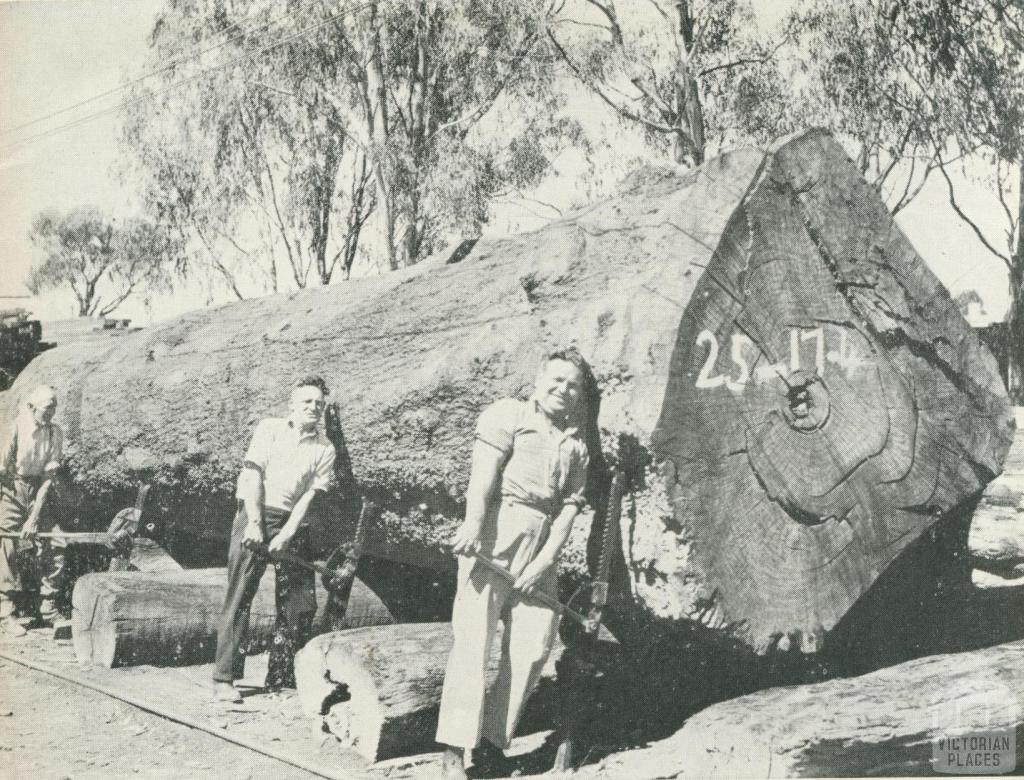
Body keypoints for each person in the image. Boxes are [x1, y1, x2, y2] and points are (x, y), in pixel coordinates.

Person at [436, 349, 593, 778]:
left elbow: (568, 512)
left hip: (540, 549)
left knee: (534, 644)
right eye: (556, 380)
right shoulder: (509, 415)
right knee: (473, 643)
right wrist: (472, 524)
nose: (563, 389)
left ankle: (490, 743)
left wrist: (544, 563)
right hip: (496, 534)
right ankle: (454, 747)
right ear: (538, 380)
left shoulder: (576, 444)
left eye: (573, 385)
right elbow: (482, 477)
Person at [212, 376, 336, 703]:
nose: (313, 408)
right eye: (307, 402)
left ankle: (281, 676)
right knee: (240, 595)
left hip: (291, 520)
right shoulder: (270, 429)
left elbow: (310, 495)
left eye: (319, 404)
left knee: (300, 601)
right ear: (292, 405)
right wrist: (255, 524)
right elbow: (252, 474)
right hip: (256, 512)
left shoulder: (325, 448)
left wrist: (289, 532)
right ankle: (224, 678)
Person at [0, 385, 64, 636]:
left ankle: (48, 606)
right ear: (31, 407)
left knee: (57, 541)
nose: (51, 413)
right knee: (8, 541)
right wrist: (10, 503)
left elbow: (48, 477)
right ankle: (6, 610)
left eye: (54, 408)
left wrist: (34, 517)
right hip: (12, 487)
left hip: (39, 490)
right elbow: (2, 469)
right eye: (47, 408)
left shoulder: (55, 432)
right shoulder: (17, 427)